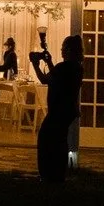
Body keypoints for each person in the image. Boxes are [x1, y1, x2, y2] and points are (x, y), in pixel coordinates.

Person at [34, 32, 83, 182]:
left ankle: (47, 174)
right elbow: (56, 75)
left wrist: (35, 64)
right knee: (60, 140)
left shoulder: (64, 67)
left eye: (63, 47)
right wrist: (49, 62)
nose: (61, 50)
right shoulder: (77, 67)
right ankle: (58, 174)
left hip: (58, 110)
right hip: (68, 109)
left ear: (68, 50)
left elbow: (45, 79)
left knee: (46, 139)